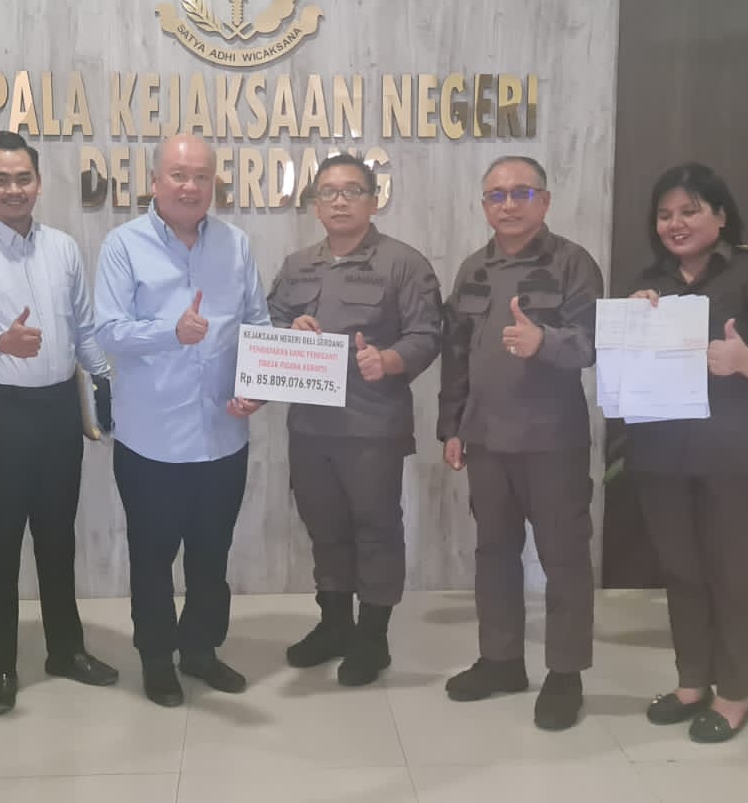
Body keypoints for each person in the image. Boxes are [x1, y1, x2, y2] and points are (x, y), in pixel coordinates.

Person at [0, 131, 119, 717]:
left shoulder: (63, 247)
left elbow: (84, 328)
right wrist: (1, 343)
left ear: (38, 183)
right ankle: (1, 667)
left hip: (58, 412)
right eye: (1, 180)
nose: (14, 190)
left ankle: (66, 650)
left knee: (58, 539)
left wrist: (105, 381)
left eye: (23, 178)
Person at [624, 163, 748, 744]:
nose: (675, 223)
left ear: (721, 215)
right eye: (665, 214)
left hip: (744, 460)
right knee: (683, 572)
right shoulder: (651, 281)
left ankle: (734, 697)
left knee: (738, 576)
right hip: (666, 457)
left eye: (690, 210)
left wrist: (743, 360)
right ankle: (691, 684)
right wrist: (634, 321)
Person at [93, 133, 272, 707]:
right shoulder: (123, 245)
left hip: (224, 435)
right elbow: (108, 330)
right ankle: (155, 658)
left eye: (201, 176)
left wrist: (256, 388)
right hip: (152, 440)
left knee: (210, 556)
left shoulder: (236, 244)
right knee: (152, 558)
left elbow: (257, 324)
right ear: (154, 181)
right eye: (178, 174)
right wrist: (170, 332)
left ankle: (200, 650)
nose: (190, 186)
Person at [436, 155, 603, 731]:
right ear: (484, 205)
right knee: (494, 555)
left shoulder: (573, 263)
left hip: (552, 441)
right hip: (485, 439)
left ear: (544, 201)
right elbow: (456, 354)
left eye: (521, 193)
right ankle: (502, 660)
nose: (507, 204)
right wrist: (451, 426)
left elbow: (592, 343)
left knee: (564, 559)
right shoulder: (472, 269)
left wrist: (544, 342)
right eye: (496, 195)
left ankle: (565, 673)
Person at [266, 153, 442, 686]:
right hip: (310, 426)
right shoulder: (297, 265)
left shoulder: (403, 263)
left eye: (351, 191)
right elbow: (268, 321)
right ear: (316, 205)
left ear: (373, 200)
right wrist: (288, 330)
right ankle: (334, 624)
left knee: (376, 529)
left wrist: (390, 360)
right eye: (328, 192)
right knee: (325, 529)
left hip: (371, 426)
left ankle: (373, 637)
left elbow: (427, 333)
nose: (339, 201)